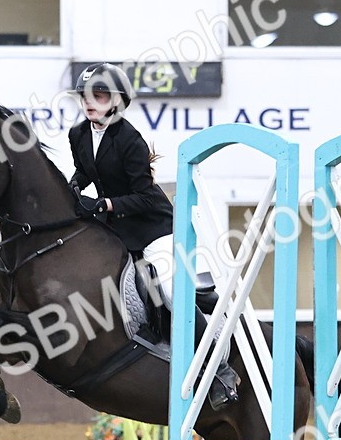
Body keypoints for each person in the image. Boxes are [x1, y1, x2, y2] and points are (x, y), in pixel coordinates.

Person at [67, 62, 238, 411]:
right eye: (85, 96)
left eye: (98, 96)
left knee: (169, 292)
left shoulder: (130, 140)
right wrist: (69, 190)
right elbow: (85, 171)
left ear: (117, 101)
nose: (89, 103)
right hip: (116, 229)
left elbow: (145, 196)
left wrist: (106, 204)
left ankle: (220, 370)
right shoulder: (78, 134)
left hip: (154, 227)